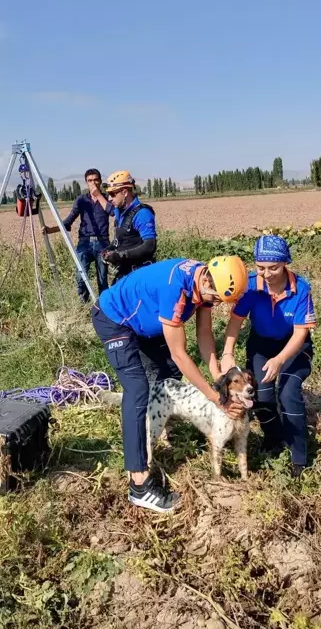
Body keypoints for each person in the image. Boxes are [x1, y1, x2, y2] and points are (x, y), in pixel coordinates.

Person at [92, 255, 249, 512]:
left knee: (167, 373)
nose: (217, 303)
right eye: (217, 298)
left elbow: (204, 334)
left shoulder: (203, 280)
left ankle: (158, 431)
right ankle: (139, 484)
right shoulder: (176, 290)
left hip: (146, 322)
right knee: (137, 390)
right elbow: (181, 353)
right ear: (207, 282)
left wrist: (218, 379)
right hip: (115, 319)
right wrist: (215, 397)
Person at [221, 235, 316, 478]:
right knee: (260, 395)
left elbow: (300, 332)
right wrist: (228, 352)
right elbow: (235, 323)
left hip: (294, 348)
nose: (267, 273)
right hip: (261, 345)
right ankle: (274, 439)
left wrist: (281, 359)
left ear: (285, 263)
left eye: (273, 267)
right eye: (261, 267)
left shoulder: (300, 289)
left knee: (288, 393)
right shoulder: (251, 286)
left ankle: (299, 458)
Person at [43, 168, 110, 302]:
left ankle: (104, 309)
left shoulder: (107, 199)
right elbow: (69, 221)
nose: (93, 183)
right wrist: (51, 230)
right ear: (86, 183)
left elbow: (113, 212)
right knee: (81, 276)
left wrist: (99, 195)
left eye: (96, 180)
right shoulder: (81, 200)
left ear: (100, 181)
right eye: (90, 180)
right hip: (84, 242)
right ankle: (83, 306)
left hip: (103, 242)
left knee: (102, 278)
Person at [98, 171, 157, 284]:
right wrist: (108, 250)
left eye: (113, 194)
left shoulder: (142, 213)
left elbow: (150, 246)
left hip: (140, 275)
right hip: (125, 273)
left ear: (124, 192)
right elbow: (120, 241)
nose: (109, 198)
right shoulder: (120, 212)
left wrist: (121, 255)